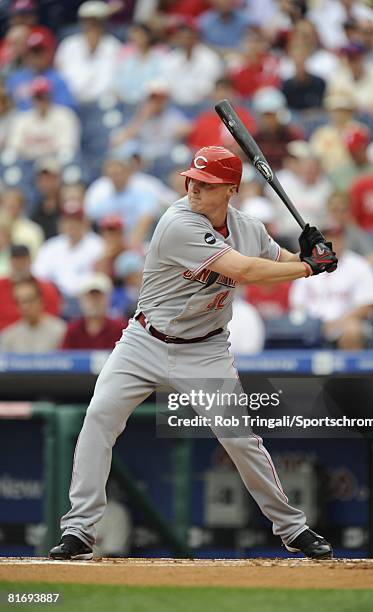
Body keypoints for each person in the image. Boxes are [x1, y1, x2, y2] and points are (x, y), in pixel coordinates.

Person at [49, 145, 337, 562]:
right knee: (99, 418)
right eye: (192, 179)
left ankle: (293, 529)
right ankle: (79, 529)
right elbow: (247, 271)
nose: (194, 188)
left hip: (205, 350)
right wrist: (309, 267)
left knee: (240, 439)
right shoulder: (177, 221)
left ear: (231, 190)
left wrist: (310, 255)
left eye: (206, 183)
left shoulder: (249, 228)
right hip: (144, 341)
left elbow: (278, 269)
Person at [290, 224, 373, 350]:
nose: (332, 243)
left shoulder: (360, 265)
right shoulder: (308, 264)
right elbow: (297, 303)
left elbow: (368, 304)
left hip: (348, 322)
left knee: (352, 330)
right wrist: (316, 324)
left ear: (344, 240)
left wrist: (338, 323)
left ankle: (349, 370)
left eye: (336, 238)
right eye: (327, 238)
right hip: (314, 324)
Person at [33, 200, 103, 298]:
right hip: (58, 298)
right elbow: (39, 276)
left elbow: (100, 279)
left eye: (76, 221)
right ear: (62, 223)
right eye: (68, 220)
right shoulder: (51, 246)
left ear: (85, 222)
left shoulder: (97, 245)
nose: (71, 225)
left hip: (86, 298)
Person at [54, 1, 121, 103]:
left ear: (104, 22)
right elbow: (58, 74)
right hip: (71, 102)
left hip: (104, 103)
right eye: (88, 21)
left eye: (96, 21)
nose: (92, 25)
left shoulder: (114, 46)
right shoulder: (68, 44)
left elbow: (118, 81)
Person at [6, 76, 80, 160]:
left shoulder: (65, 115)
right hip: (27, 162)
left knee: (68, 162)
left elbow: (67, 148)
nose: (41, 101)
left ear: (50, 96)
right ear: (32, 99)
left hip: (55, 161)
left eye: (44, 96)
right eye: (38, 97)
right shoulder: (22, 118)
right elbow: (13, 148)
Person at [0, 244, 60, 331]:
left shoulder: (46, 288)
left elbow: (52, 317)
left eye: (23, 261)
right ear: (10, 262)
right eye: (15, 261)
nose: (19, 265)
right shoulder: (1, 286)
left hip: (38, 335)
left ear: (30, 261)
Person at [61, 272, 125, 350]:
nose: (94, 302)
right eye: (90, 297)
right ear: (81, 301)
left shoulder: (120, 329)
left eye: (98, 297)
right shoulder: (72, 331)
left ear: (108, 300)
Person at [0, 277, 66, 352]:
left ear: (41, 300)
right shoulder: (9, 336)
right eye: (20, 301)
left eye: (30, 300)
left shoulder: (60, 331)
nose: (25, 307)